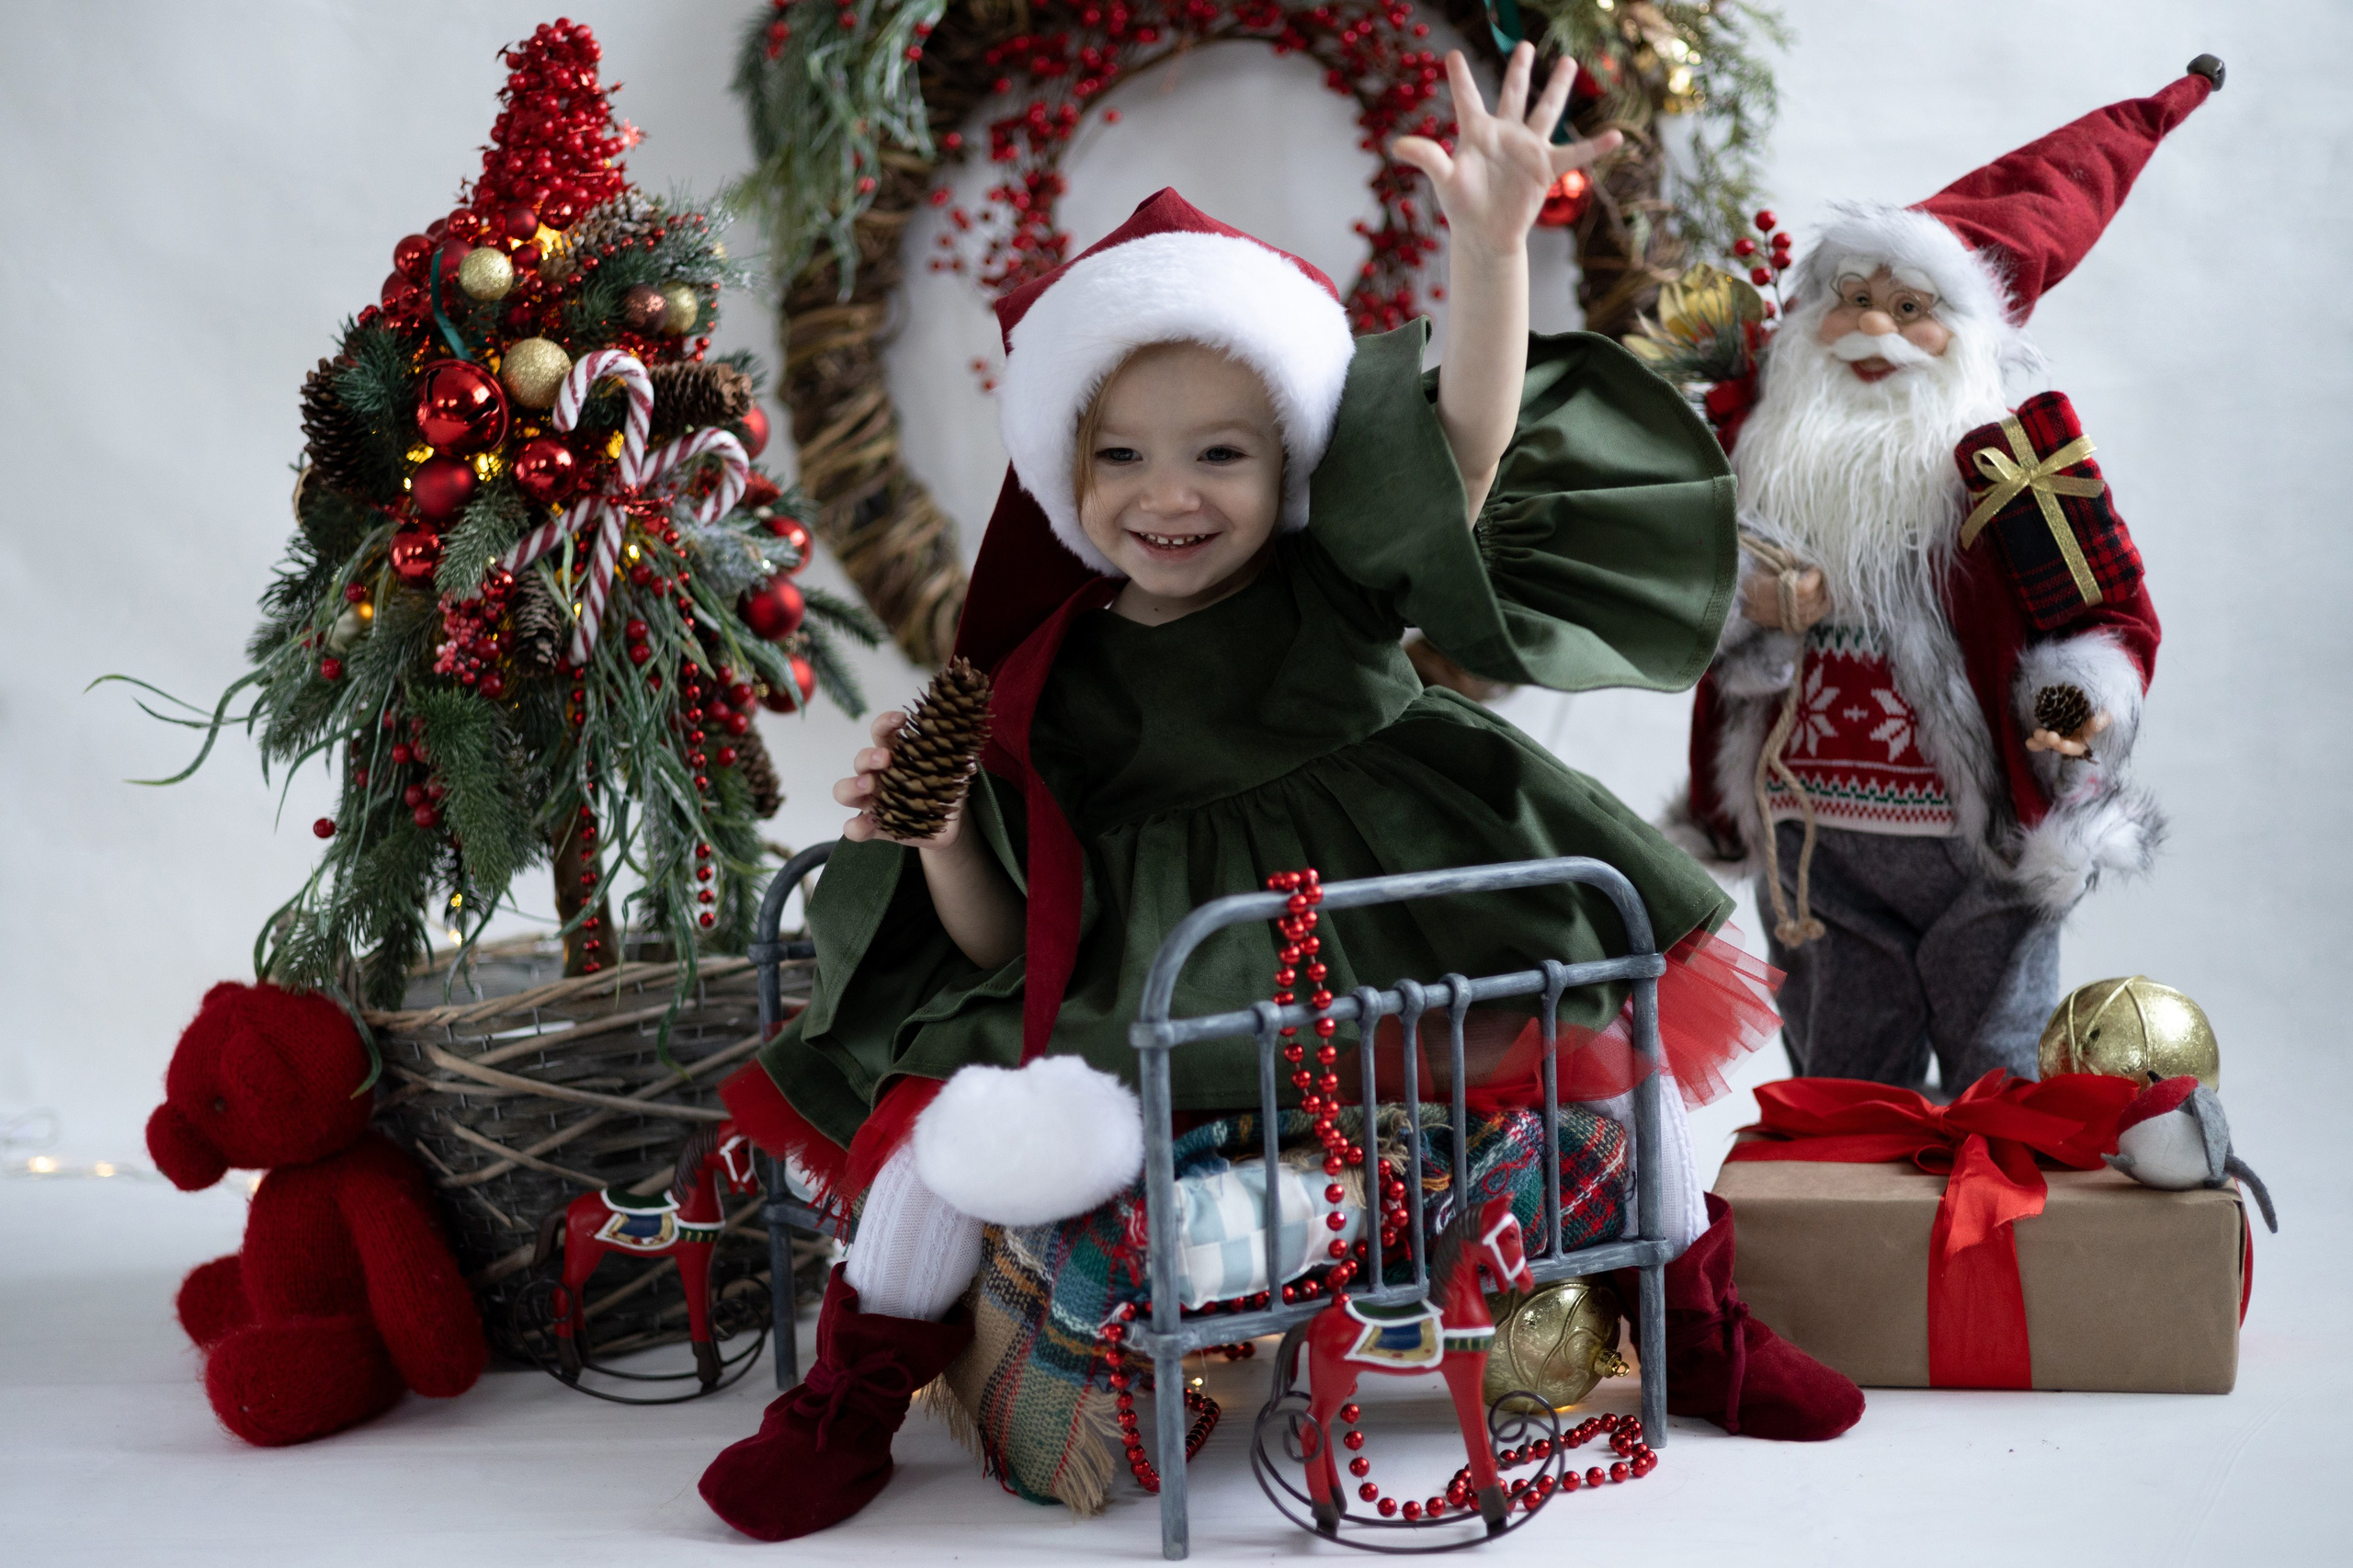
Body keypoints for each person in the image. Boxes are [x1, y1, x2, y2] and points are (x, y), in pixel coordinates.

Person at [700, 45, 1824, 1544]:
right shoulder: (1052, 679)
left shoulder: (1331, 582)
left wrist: (1491, 254)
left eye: (1220, 453)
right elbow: (990, 949)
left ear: (1288, 459)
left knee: (1603, 1029)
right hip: (1170, 990)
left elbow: (1468, 445)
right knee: (944, 1125)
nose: (1171, 495)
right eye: (1124, 458)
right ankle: (854, 1389)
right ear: (1065, 471)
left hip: (1395, 923)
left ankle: (1691, 1315)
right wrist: (942, 830)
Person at [1672, 62, 2221, 1095]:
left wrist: (2071, 705)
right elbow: (1680, 618)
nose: (1874, 328)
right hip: (1815, 855)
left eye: (1911, 306)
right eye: (1850, 302)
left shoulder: (2016, 473)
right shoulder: (1758, 466)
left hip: (1984, 856)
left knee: (1995, 1088)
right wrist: (1750, 613)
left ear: (1967, 336)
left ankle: (1993, 1253)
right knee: (1841, 1091)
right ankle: (1848, 1253)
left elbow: (2104, 619)